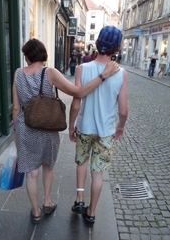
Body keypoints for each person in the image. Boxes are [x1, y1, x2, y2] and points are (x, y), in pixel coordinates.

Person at [12, 38, 119, 224]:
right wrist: (103, 75)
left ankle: (35, 212)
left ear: (28, 56)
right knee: (47, 165)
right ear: (43, 54)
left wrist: (17, 133)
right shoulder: (50, 72)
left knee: (31, 173)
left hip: (25, 128)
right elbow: (78, 92)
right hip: (47, 128)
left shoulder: (18, 74)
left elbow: (15, 109)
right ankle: (47, 201)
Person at [69, 26, 128, 227]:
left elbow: (76, 103)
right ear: (117, 48)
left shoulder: (81, 69)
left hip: (85, 127)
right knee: (98, 173)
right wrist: (120, 126)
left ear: (97, 44)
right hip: (106, 132)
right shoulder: (122, 74)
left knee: (82, 163)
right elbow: (123, 110)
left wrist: (70, 126)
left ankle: (79, 200)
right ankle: (92, 212)